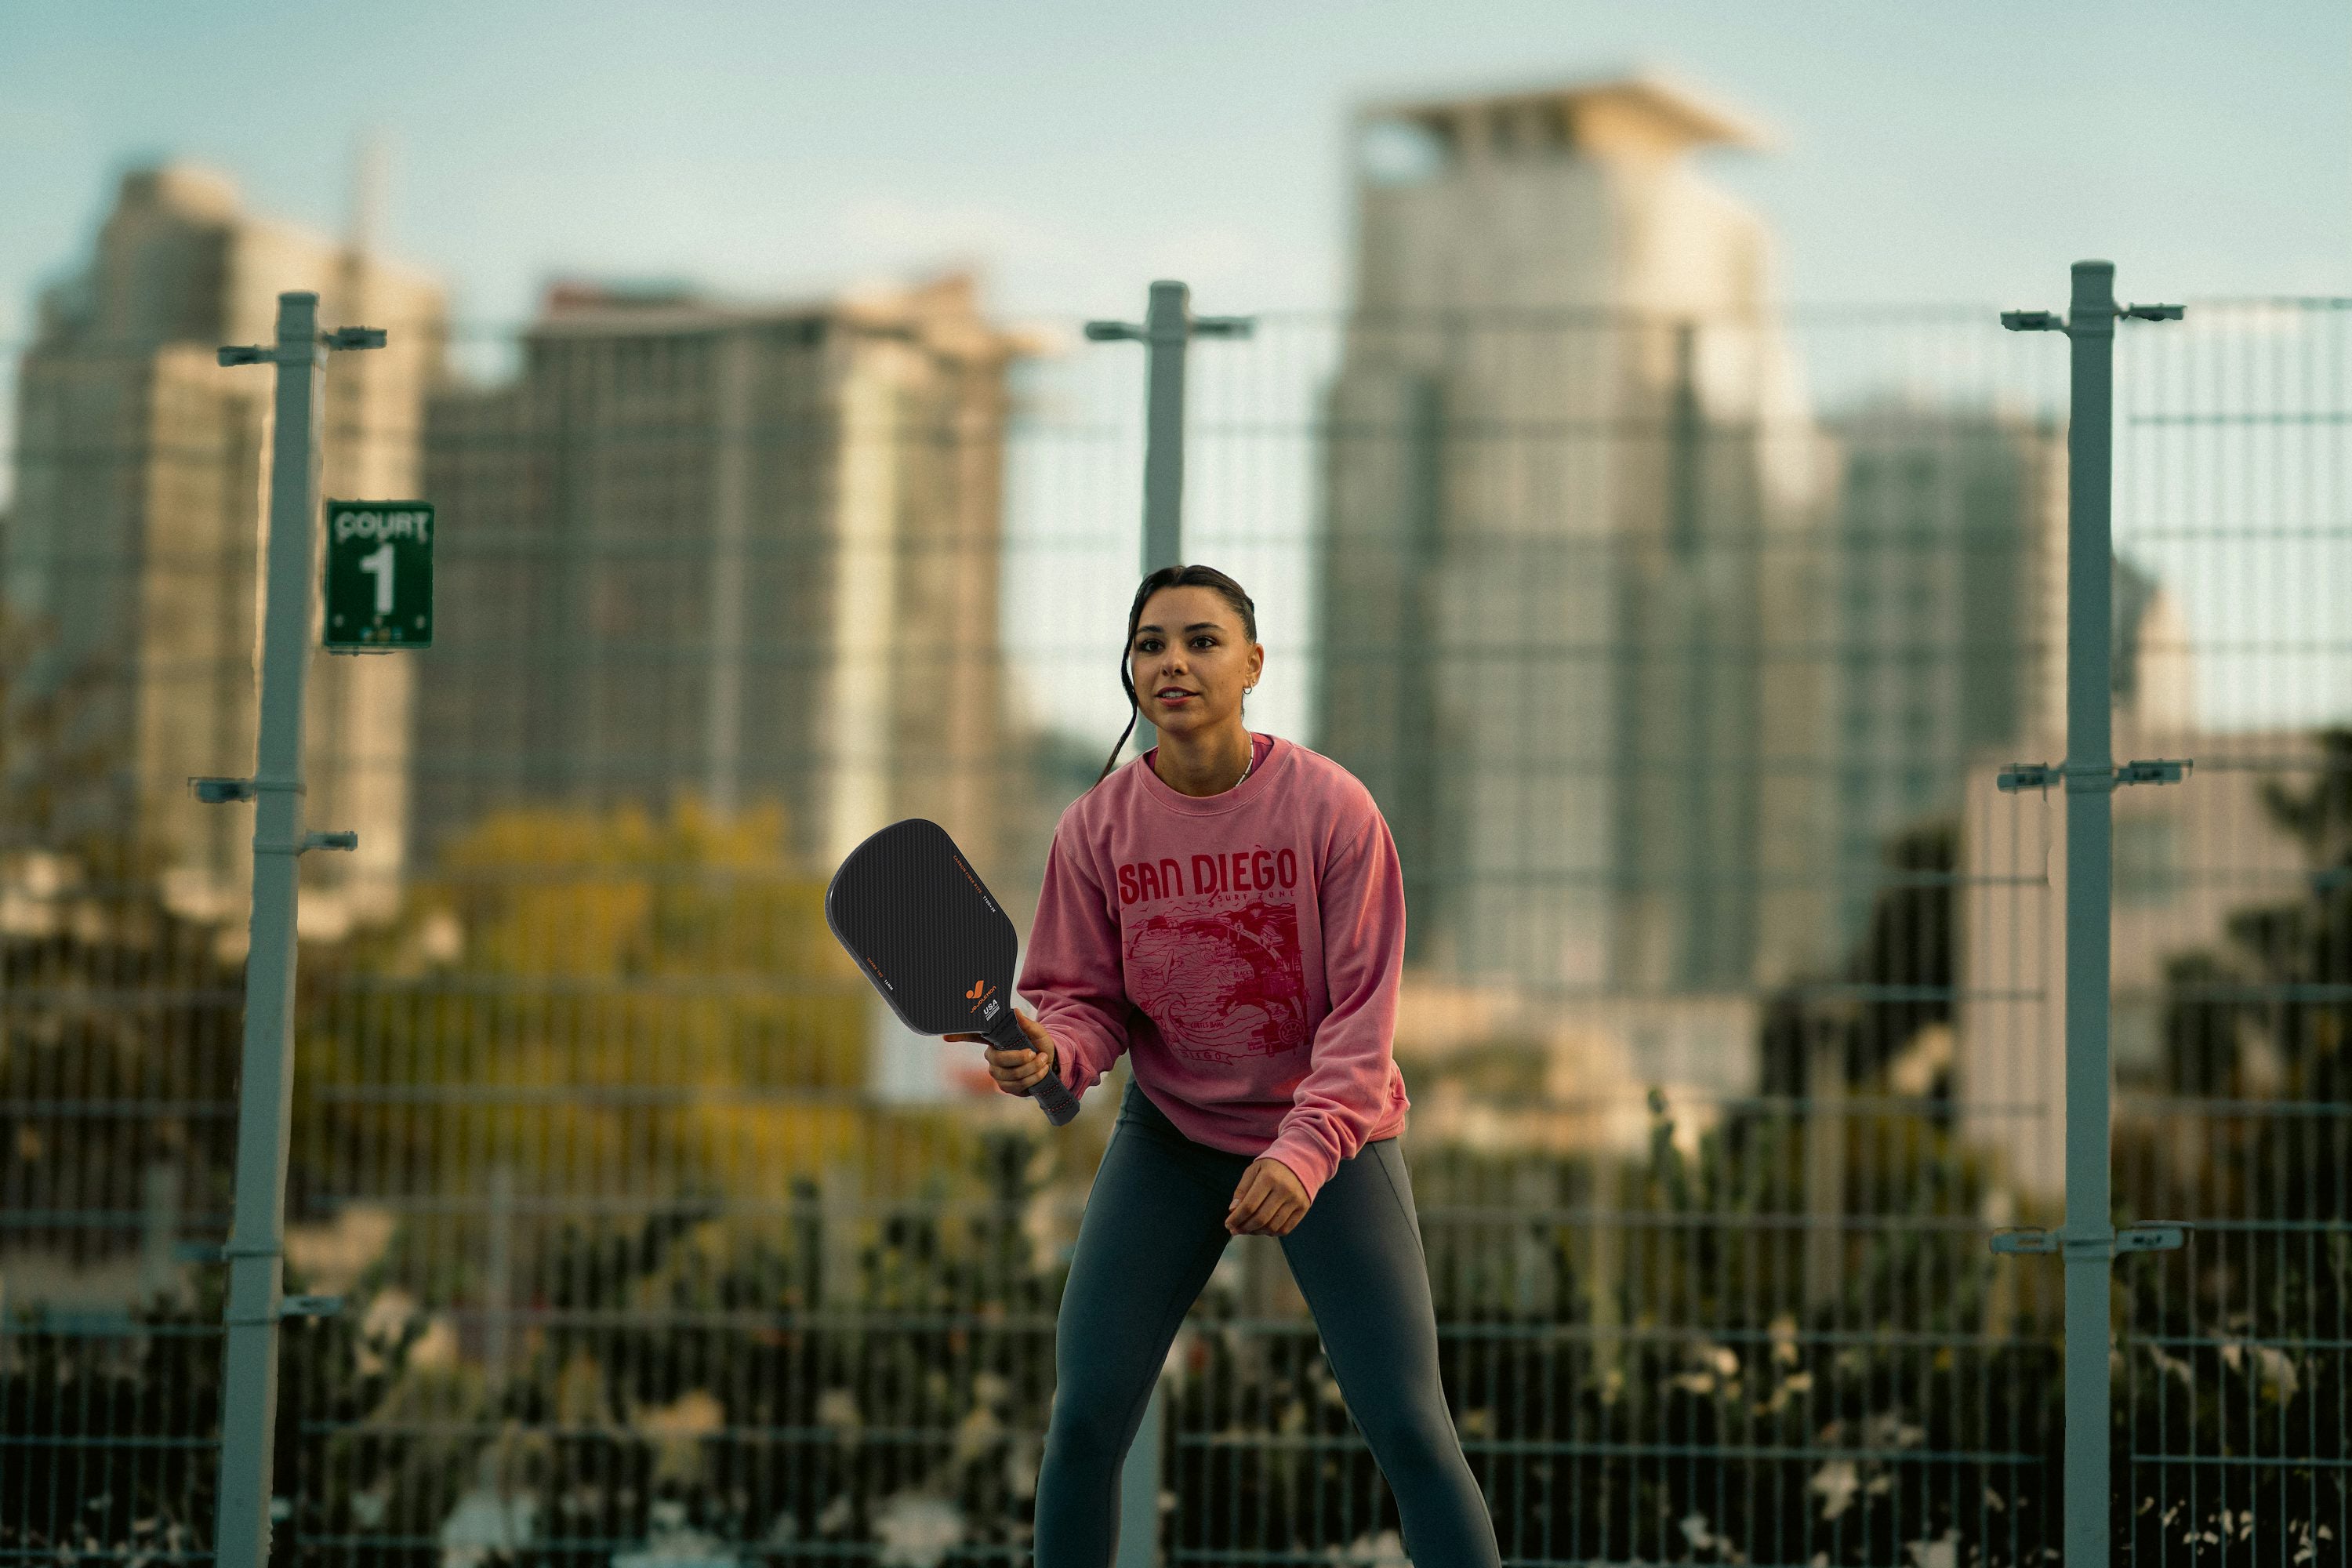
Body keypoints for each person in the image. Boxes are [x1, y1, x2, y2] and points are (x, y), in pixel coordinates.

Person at [949, 564, 1501, 1566]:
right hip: (1172, 1136)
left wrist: (1301, 1153)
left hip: (1331, 1143)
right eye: (1151, 642)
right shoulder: (1094, 829)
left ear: (1252, 663)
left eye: (1203, 640)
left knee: (1413, 1431)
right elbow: (1085, 1003)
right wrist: (1049, 1052)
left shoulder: (1334, 812)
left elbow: (1361, 1021)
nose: (1175, 661)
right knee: (1082, 1423)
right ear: (1130, 669)